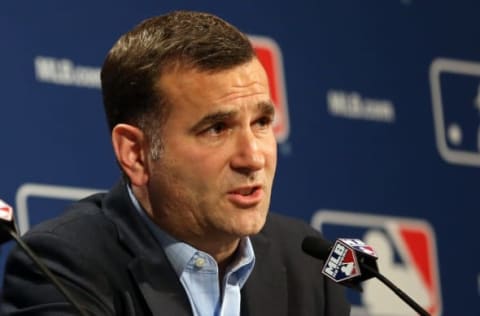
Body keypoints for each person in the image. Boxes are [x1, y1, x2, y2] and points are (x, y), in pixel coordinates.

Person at [1, 10, 350, 315]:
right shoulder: (64, 267)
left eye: (261, 123)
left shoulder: (306, 265)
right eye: (217, 128)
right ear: (135, 153)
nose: (253, 157)